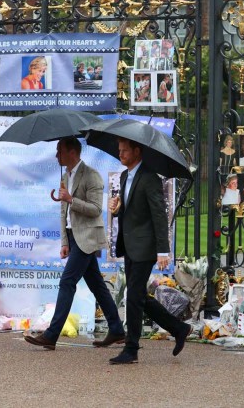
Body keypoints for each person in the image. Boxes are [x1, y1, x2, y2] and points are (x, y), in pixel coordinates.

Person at [24, 137, 125, 351]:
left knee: (67, 282)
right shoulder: (65, 177)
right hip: (73, 237)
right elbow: (64, 212)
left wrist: (71, 199)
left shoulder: (92, 176)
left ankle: (51, 335)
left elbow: (97, 209)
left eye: (59, 151)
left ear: (72, 152)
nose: (56, 155)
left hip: (87, 238)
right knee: (97, 285)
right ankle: (116, 329)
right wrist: (64, 241)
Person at [103, 138, 192, 365]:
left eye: (124, 151)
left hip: (145, 247)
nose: (120, 154)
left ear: (137, 151)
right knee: (139, 296)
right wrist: (117, 207)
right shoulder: (124, 176)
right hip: (129, 245)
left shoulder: (150, 178)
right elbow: (131, 209)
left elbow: (159, 216)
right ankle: (179, 328)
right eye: (119, 150)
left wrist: (163, 250)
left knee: (133, 296)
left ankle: (131, 349)